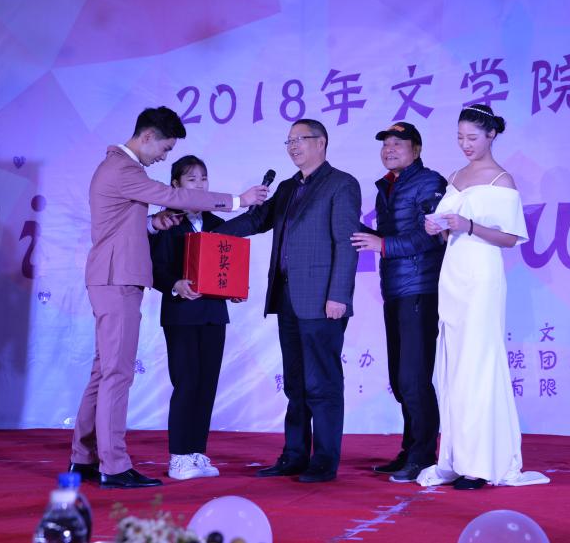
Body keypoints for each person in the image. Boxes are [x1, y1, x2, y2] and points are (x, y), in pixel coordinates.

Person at [68, 107, 268, 489]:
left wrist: (151, 223)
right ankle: (113, 465)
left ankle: (84, 456)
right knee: (116, 374)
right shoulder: (124, 169)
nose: (163, 157)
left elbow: (118, 223)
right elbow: (172, 195)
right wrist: (238, 200)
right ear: (147, 137)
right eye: (165, 148)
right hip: (116, 278)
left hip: (112, 277)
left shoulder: (117, 169)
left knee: (104, 371)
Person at [218, 119, 361, 483]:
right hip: (287, 299)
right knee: (296, 384)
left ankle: (324, 460)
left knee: (322, 384)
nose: (293, 146)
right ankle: (294, 455)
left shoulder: (341, 184)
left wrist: (338, 295)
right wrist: (207, 231)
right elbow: (255, 222)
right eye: (289, 141)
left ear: (321, 143)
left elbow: (346, 243)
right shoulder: (285, 187)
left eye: (301, 139)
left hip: (323, 301)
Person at [418, 104, 548, 490]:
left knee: (478, 363)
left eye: (472, 137)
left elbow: (509, 237)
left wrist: (469, 225)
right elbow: (450, 229)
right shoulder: (456, 176)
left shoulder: (502, 180)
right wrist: (439, 227)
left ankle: (480, 463)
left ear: (491, 135)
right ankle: (457, 458)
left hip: (482, 277)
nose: (465, 144)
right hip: (453, 273)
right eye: (460, 137)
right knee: (454, 366)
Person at [350, 121, 445, 483]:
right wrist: (361, 232)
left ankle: (423, 455)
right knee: (400, 377)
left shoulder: (429, 182)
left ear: (416, 150)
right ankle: (410, 449)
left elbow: (432, 236)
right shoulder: (388, 186)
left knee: (414, 377)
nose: (389, 150)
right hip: (395, 290)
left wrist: (383, 244)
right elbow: (391, 236)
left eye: (398, 144)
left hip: (421, 290)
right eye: (385, 144)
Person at [149, 155, 248, 481]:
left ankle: (196, 452)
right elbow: (155, 268)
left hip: (213, 315)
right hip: (180, 314)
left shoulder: (218, 223)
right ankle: (178, 456)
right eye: (191, 179)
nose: (200, 184)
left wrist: (234, 288)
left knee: (206, 385)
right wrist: (174, 284)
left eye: (203, 178)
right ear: (175, 184)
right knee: (186, 382)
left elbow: (226, 266)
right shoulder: (166, 222)